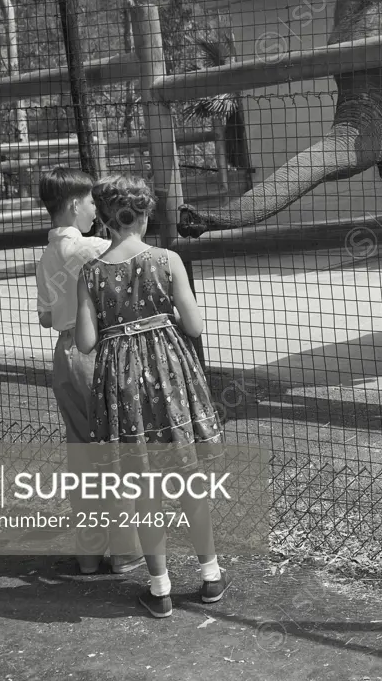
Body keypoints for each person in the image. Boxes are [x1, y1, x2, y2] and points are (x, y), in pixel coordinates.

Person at [74, 174, 226, 619]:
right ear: (144, 216)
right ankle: (211, 577)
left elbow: (85, 342)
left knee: (144, 488)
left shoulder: (91, 272)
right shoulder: (167, 259)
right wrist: (166, 315)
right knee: (188, 479)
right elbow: (195, 328)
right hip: (170, 375)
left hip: (122, 387)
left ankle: (159, 589)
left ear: (102, 219)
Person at [35, 167, 143, 577]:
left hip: (63, 356)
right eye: (92, 203)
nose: (95, 209)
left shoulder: (45, 256)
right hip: (97, 352)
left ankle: (88, 554)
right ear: (75, 204)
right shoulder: (95, 247)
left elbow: (47, 318)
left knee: (81, 454)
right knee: (115, 451)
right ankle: (126, 552)